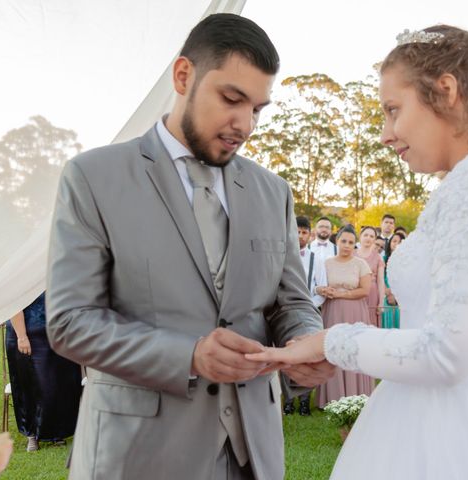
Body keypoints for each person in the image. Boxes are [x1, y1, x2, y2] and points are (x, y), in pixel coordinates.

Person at [46, 14, 335, 480]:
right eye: (232, 99)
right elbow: (70, 321)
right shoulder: (93, 178)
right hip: (138, 455)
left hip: (253, 454)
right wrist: (189, 355)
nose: (245, 124)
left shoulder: (272, 191)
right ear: (184, 76)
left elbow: (291, 301)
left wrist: (303, 341)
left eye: (258, 109)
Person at [247, 25, 468, 479]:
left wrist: (331, 341)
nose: (386, 134)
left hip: (459, 439)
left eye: (393, 110)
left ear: (447, 91)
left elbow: (447, 353)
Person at [5, 292, 82, 452]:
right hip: (26, 335)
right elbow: (13, 302)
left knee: (58, 383)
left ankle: (57, 432)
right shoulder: (19, 271)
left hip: (57, 335)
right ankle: (32, 434)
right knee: (28, 383)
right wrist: (21, 336)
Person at [313, 225, 373, 406]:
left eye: (351, 242)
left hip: (355, 313)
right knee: (333, 349)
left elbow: (365, 291)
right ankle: (331, 397)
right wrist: (320, 289)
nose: (347, 245)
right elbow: (316, 285)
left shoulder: (361, 264)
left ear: (355, 245)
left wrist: (340, 294)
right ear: (337, 241)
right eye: (343, 241)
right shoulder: (326, 263)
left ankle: (357, 394)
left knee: (353, 349)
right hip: (332, 312)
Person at [282, 216, 327, 416]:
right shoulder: (283, 255)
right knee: (287, 356)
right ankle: (288, 400)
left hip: (309, 312)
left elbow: (322, 288)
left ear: (310, 235)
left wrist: (310, 305)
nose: (300, 236)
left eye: (304, 232)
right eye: (297, 232)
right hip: (284, 313)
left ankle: (303, 402)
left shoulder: (315, 258)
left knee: (308, 357)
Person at [355, 226, 386, 327]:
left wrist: (381, 302)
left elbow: (381, 281)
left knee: (371, 325)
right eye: (366, 235)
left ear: (374, 239)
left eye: (371, 236)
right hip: (355, 293)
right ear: (360, 237)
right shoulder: (352, 255)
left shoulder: (378, 257)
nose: (368, 238)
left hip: (372, 295)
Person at [381, 232, 405, 328]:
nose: (396, 244)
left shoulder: (405, 262)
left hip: (400, 298)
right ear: (390, 243)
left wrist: (396, 295)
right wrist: (388, 292)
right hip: (384, 296)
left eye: (400, 242)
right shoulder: (383, 259)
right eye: (394, 241)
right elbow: (379, 278)